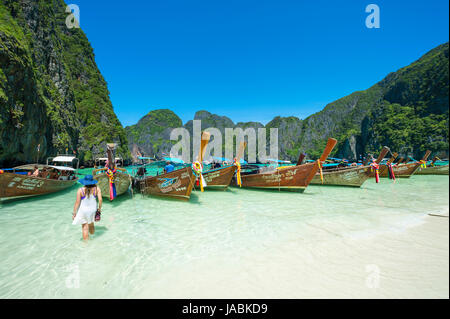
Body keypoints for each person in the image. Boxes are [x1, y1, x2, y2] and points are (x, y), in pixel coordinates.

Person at [72, 175, 103, 241]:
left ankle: (86, 245)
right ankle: (93, 238)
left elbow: (77, 203)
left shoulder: (80, 190)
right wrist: (99, 209)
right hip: (93, 210)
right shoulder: (97, 188)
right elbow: (100, 200)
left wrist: (74, 213)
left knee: (85, 227)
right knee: (91, 224)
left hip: (83, 210)